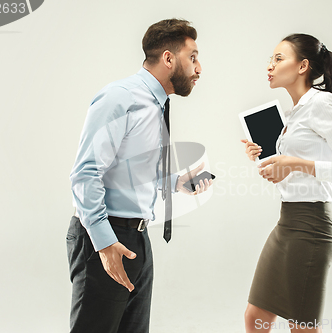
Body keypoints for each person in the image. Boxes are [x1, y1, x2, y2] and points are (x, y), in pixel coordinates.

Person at [67, 18, 212, 333]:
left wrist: (176, 182)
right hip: (105, 236)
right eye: (193, 57)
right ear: (168, 59)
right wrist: (105, 243)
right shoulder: (120, 98)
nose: (199, 68)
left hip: (138, 240)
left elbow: (133, 168)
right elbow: (85, 173)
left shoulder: (156, 104)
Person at [241, 34, 332, 332]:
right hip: (287, 224)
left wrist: (295, 163)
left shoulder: (323, 104)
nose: (270, 66)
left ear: (303, 66)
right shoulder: (294, 113)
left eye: (279, 58)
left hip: (311, 227)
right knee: (255, 316)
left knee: (302, 328)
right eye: (270, 60)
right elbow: (294, 176)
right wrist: (270, 163)